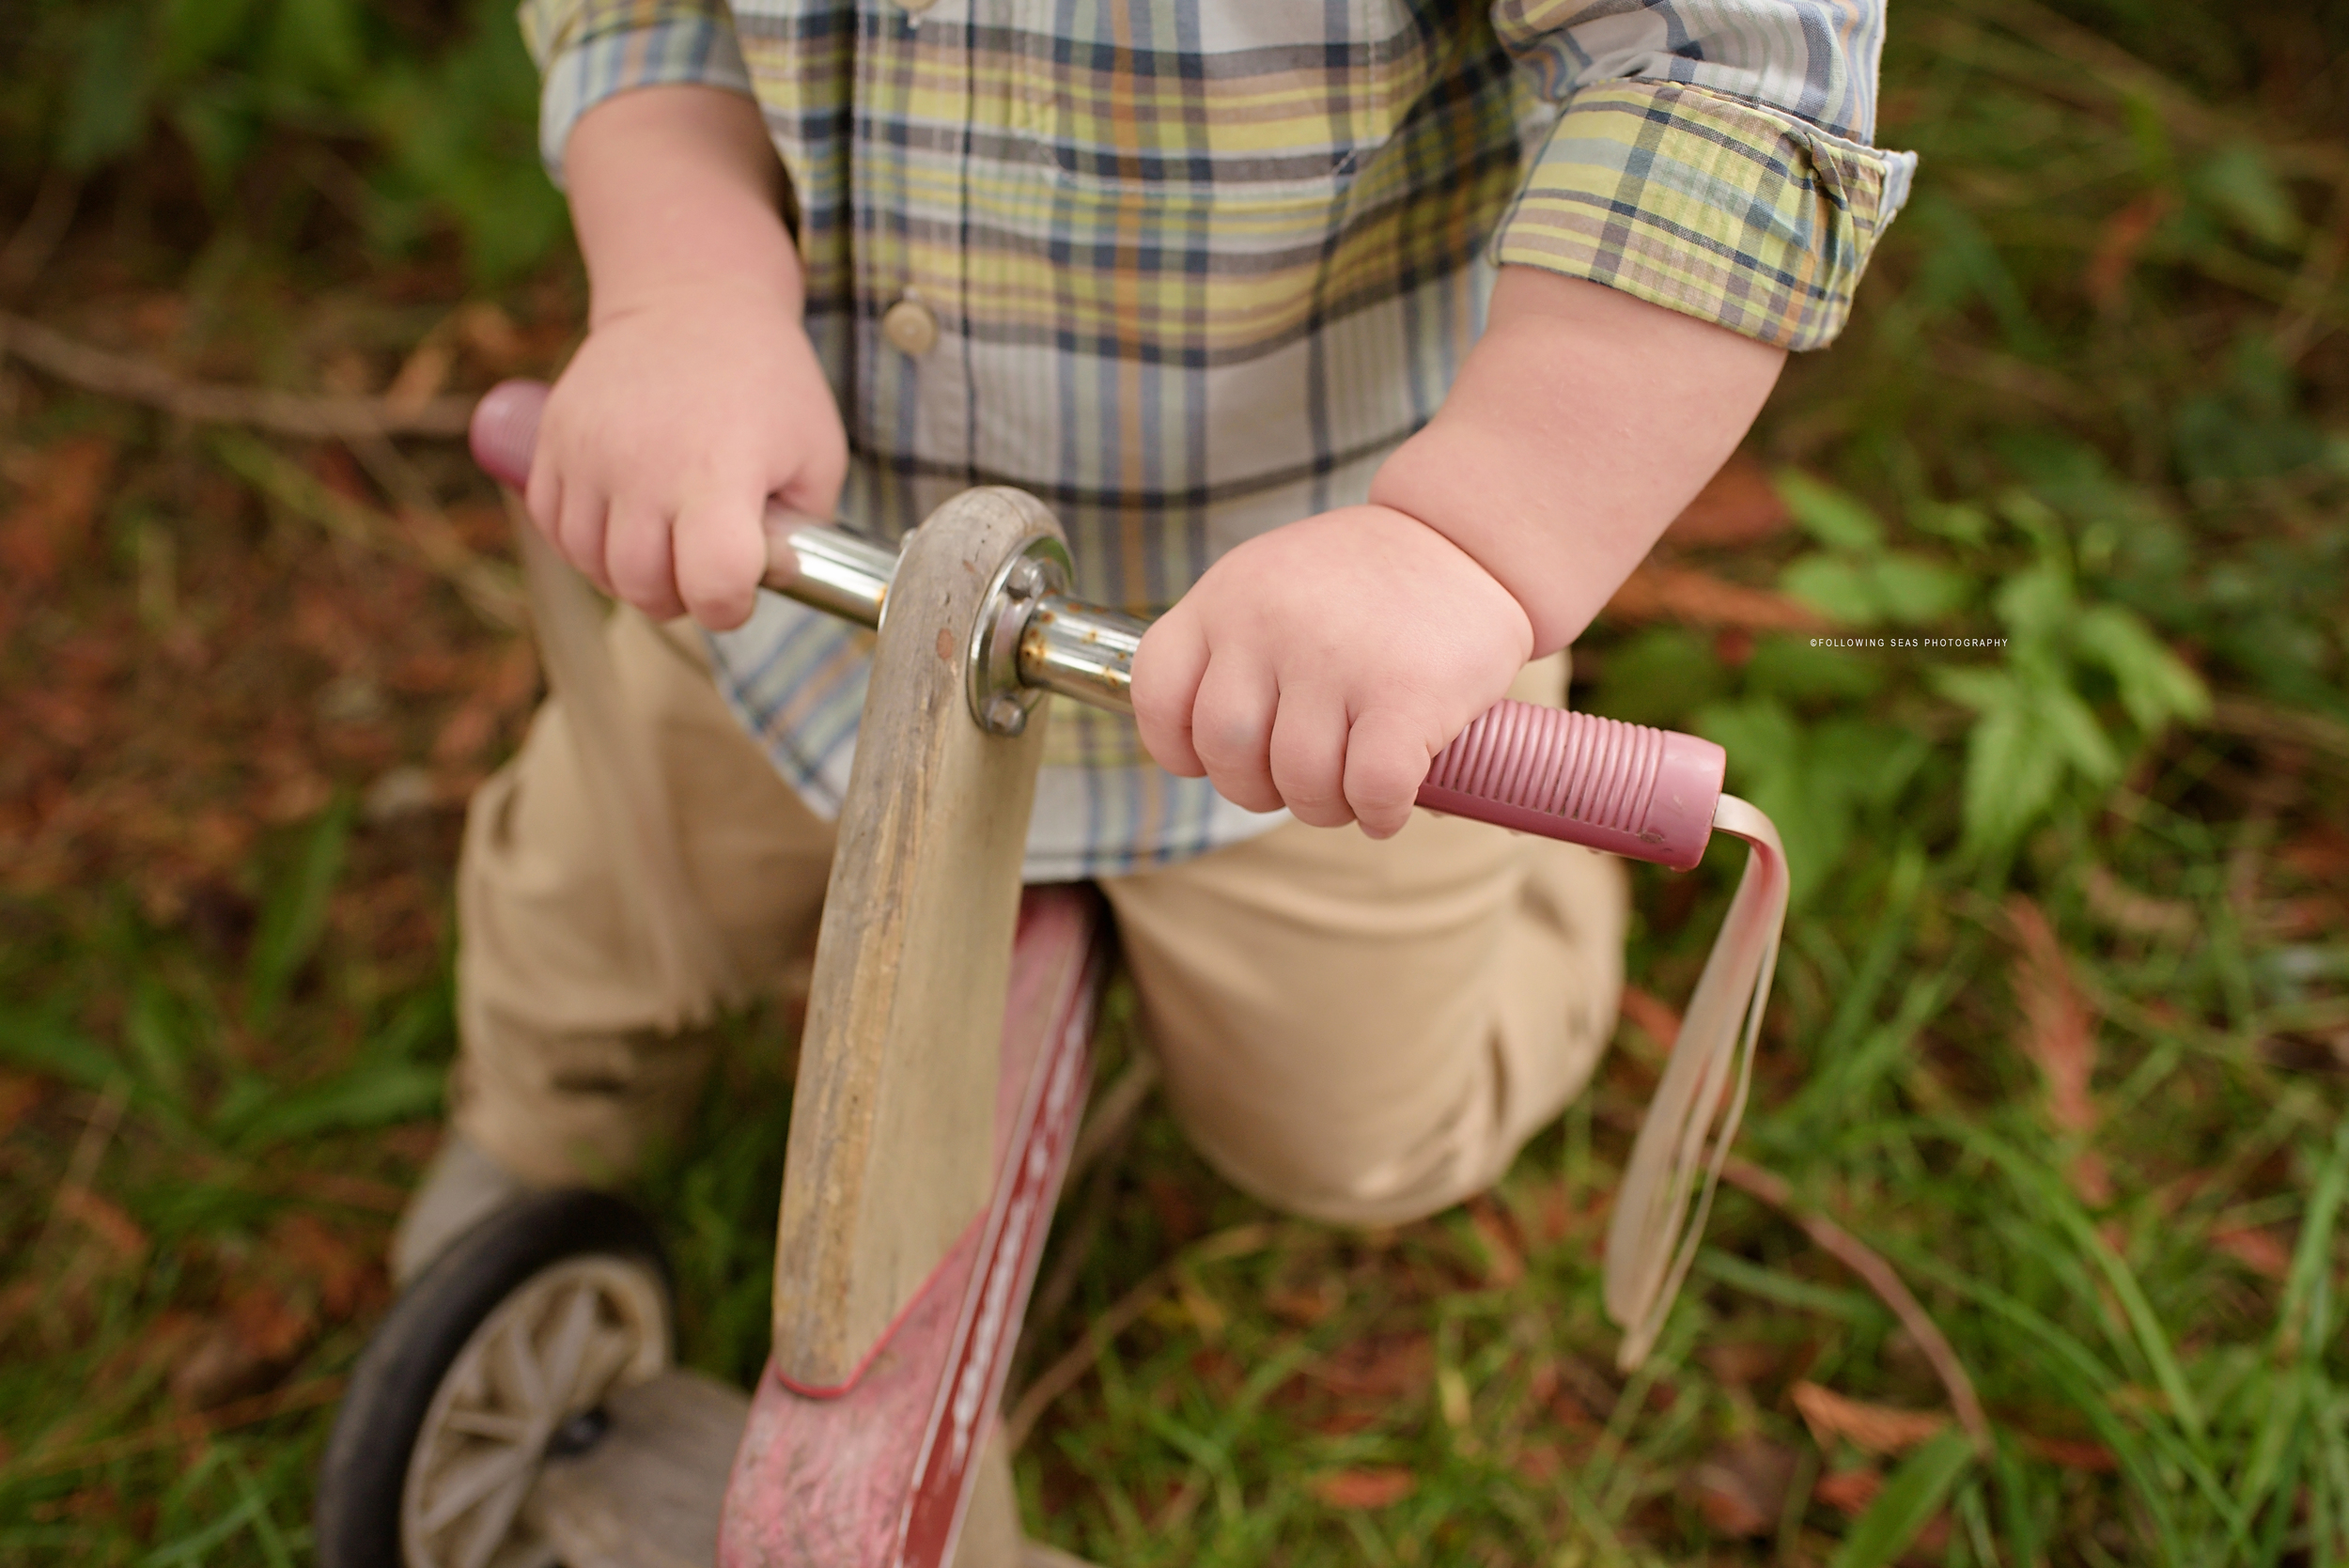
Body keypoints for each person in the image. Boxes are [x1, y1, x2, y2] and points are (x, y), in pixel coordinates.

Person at [391, 0, 1913, 1282]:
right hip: (810, 573)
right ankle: (544, 1128)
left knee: (1365, 1129)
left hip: (1334, 661)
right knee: (598, 911)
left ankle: (1529, 898)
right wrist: (683, 287)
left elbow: (1726, 70)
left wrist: (1477, 541)